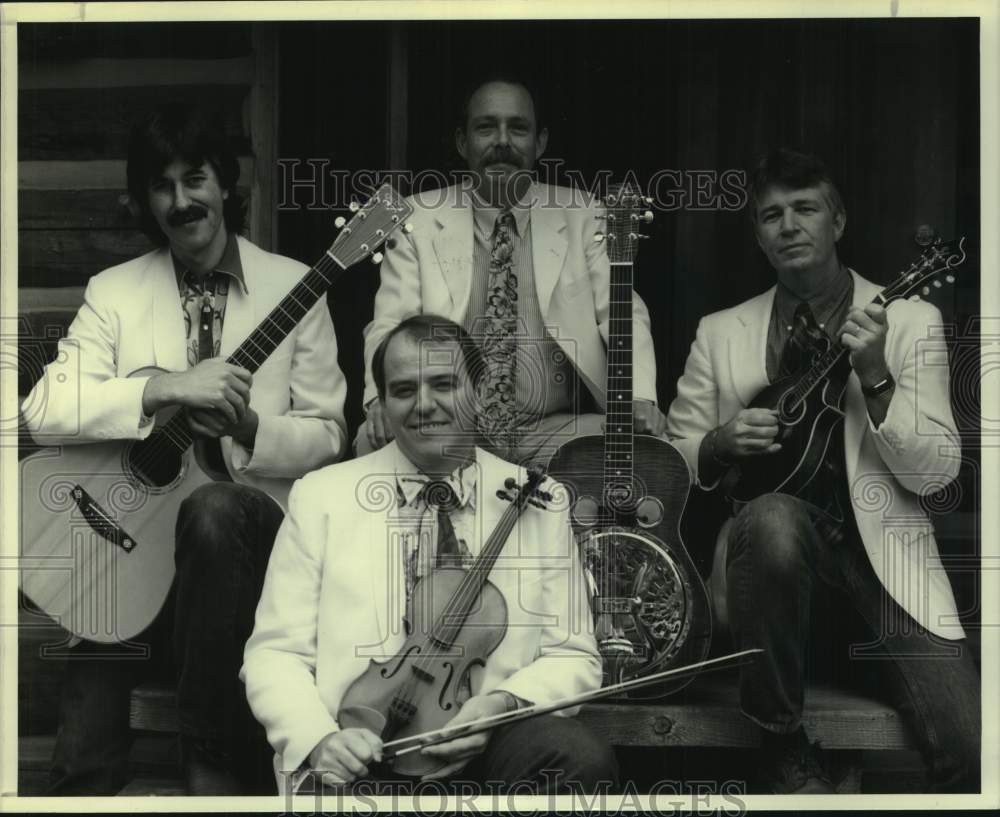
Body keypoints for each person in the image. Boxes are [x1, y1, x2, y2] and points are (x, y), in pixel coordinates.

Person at [23, 103, 348, 795]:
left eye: (194, 178)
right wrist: (165, 388)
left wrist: (249, 428)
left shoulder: (296, 286)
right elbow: (43, 410)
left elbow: (328, 437)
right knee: (80, 760)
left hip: (246, 553)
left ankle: (213, 773)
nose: (180, 200)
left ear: (225, 184)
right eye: (161, 186)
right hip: (134, 546)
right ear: (144, 199)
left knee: (212, 508)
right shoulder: (114, 293)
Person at [665, 149, 980, 793]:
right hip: (766, 582)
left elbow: (938, 473)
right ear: (757, 235)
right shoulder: (721, 332)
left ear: (838, 222)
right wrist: (720, 442)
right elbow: (672, 458)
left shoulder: (912, 321)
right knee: (774, 517)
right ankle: (779, 741)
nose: (788, 225)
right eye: (771, 215)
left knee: (971, 749)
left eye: (805, 209)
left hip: (884, 572)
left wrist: (877, 376)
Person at [242, 314, 618, 795]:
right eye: (403, 390)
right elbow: (275, 652)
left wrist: (501, 705)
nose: (425, 405)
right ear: (384, 403)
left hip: (487, 749)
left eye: (444, 384)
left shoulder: (539, 499)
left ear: (479, 392)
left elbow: (573, 657)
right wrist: (318, 740)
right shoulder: (321, 497)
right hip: (359, 749)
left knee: (578, 756)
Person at [357, 75, 666, 463]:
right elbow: (390, 324)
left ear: (540, 143)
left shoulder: (583, 213)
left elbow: (623, 313)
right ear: (462, 142)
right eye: (486, 127)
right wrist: (379, 399)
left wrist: (640, 398)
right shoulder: (416, 217)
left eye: (517, 128)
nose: (502, 142)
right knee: (374, 443)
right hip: (451, 421)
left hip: (555, 427)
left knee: (649, 456)